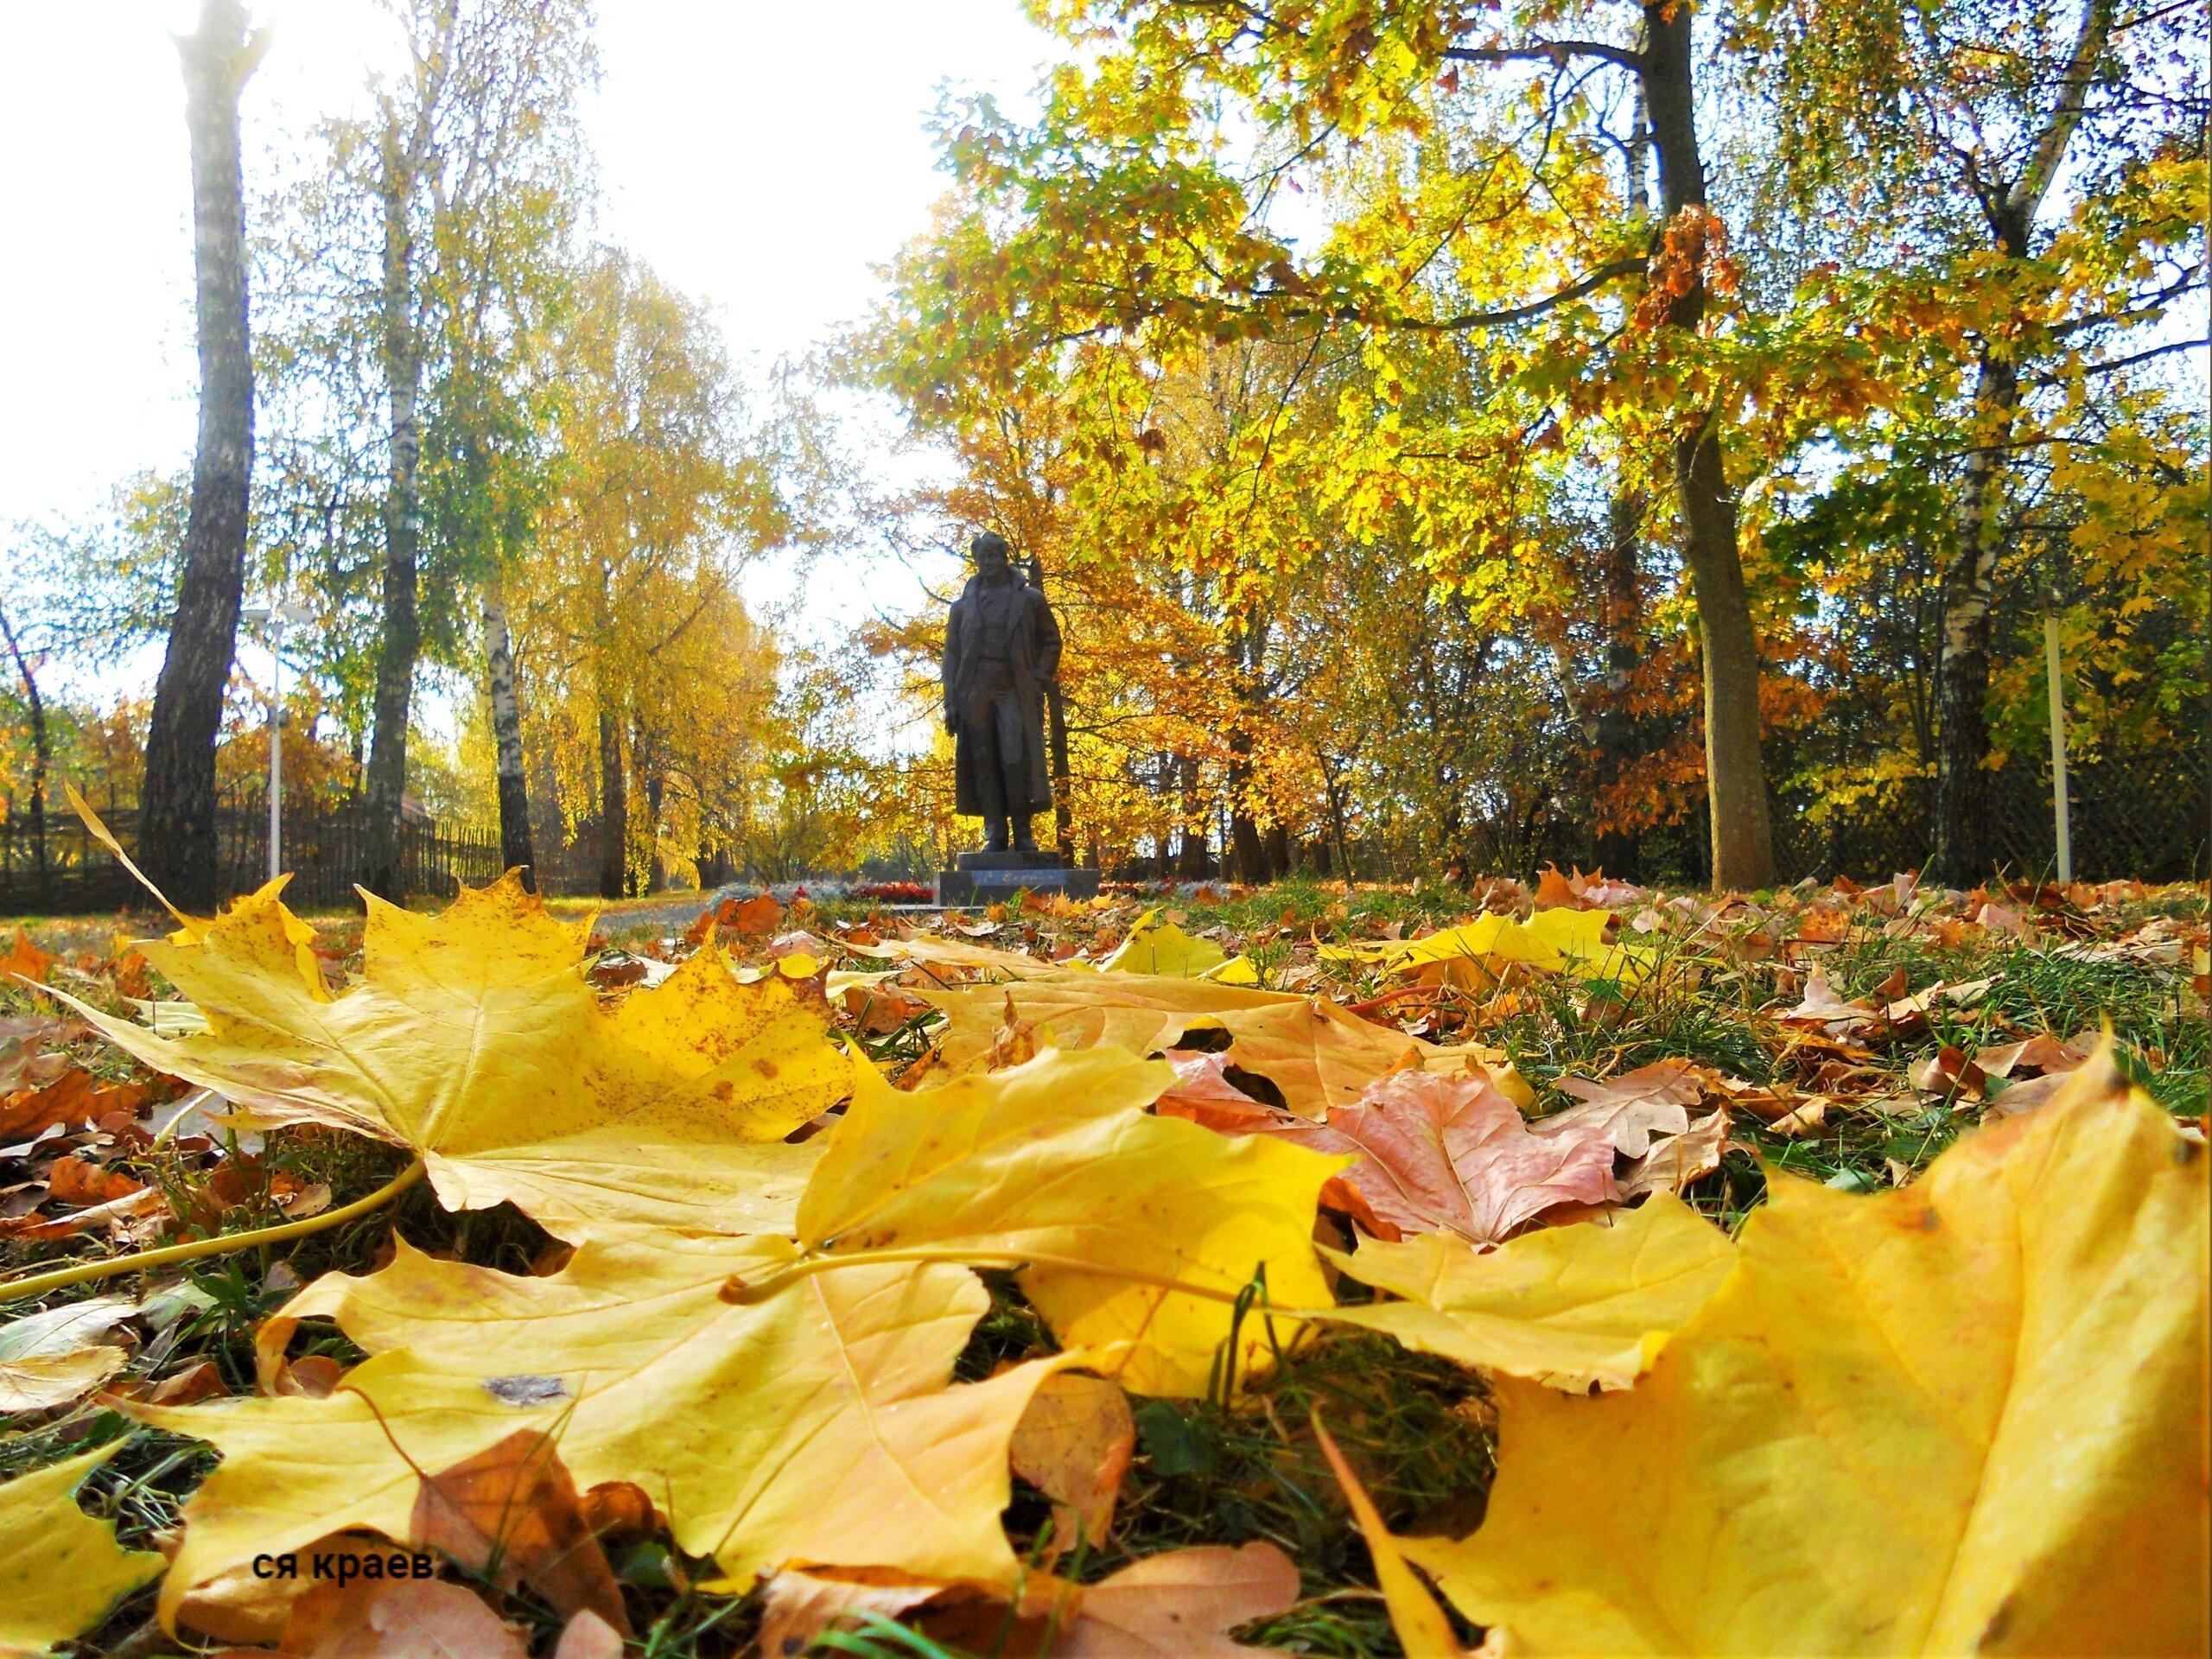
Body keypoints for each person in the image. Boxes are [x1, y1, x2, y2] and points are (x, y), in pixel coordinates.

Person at [942, 531, 1061, 852]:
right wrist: (951, 701)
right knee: (983, 760)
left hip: (1014, 687)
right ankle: (994, 832)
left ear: (1005, 557)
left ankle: (1023, 831)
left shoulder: (1030, 599)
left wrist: (1038, 679)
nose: (989, 562)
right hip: (975, 690)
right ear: (976, 560)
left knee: (1014, 757)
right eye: (983, 557)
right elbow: (951, 655)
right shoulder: (962, 608)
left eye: (994, 556)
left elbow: (1051, 642)